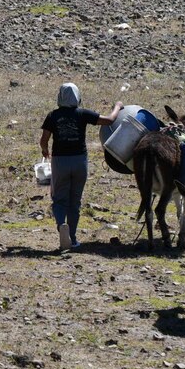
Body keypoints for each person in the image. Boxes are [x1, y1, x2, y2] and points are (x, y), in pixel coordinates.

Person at [39, 84, 122, 251]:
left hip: (60, 162)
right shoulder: (83, 113)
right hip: (79, 162)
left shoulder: (52, 116)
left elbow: (44, 139)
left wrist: (45, 150)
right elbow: (109, 120)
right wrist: (117, 107)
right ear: (77, 97)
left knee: (59, 199)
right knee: (74, 201)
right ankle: (74, 238)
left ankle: (62, 224)